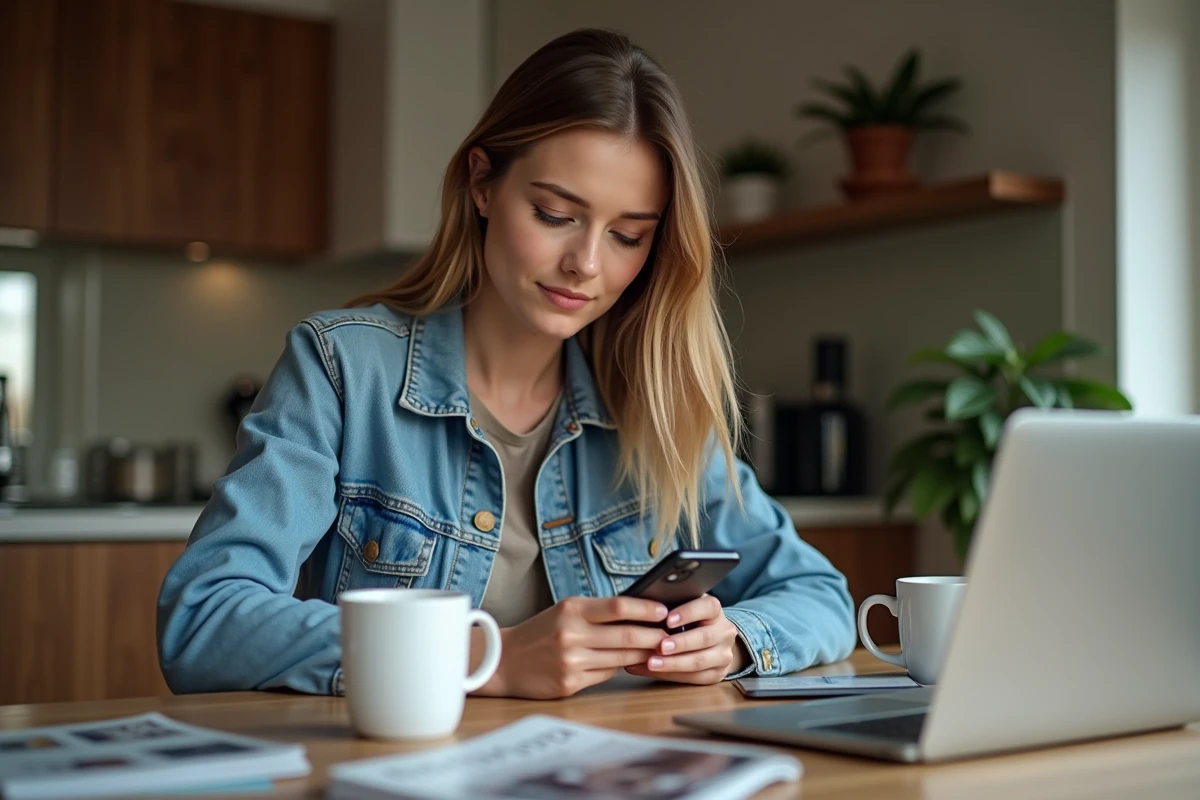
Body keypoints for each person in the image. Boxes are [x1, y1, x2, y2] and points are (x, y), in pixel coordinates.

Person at [156, 28, 855, 700]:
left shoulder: (654, 407)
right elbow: (203, 619)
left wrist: (733, 640)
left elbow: (820, 595)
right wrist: (482, 657)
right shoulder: (343, 368)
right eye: (554, 214)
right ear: (483, 183)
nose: (586, 264)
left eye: (627, 235)